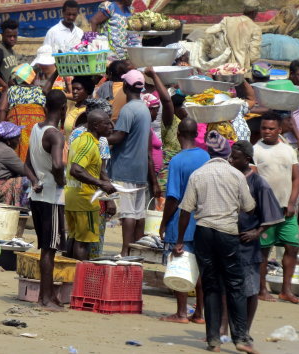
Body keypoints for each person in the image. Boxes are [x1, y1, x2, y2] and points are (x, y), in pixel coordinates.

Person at [176, 131, 257, 354]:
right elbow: (249, 207)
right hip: (227, 233)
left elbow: (186, 210)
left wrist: (180, 240)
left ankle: (214, 341)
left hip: (204, 233)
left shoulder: (198, 174)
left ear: (209, 152)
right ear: (228, 154)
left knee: (211, 285)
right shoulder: (237, 175)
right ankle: (240, 337)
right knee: (235, 285)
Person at [225, 140, 284, 338]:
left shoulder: (258, 183)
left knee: (250, 291)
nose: (231, 159)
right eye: (230, 156)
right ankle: (222, 329)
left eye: (235, 157)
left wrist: (257, 232)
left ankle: (245, 331)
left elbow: (273, 214)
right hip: (227, 241)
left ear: (247, 160)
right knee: (226, 290)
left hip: (248, 246)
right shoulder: (228, 176)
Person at [158, 117, 208, 324]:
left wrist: (163, 222)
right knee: (200, 269)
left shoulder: (177, 161)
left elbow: (172, 198)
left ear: (178, 135)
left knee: (180, 264)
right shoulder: (205, 156)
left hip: (182, 221)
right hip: (203, 220)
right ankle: (199, 313)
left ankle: (180, 313)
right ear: (196, 134)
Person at [108, 69, 158, 256]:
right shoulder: (144, 108)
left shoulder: (128, 110)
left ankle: (125, 251)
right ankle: (135, 251)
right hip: (140, 168)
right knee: (138, 214)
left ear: (127, 87)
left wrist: (103, 138)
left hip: (125, 167)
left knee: (128, 213)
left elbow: (120, 136)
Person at [254, 112, 299, 304]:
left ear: (279, 130)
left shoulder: (288, 150)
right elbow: (254, 181)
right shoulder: (256, 150)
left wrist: (291, 202)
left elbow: (296, 177)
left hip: (287, 210)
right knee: (264, 251)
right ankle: (261, 289)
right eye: (264, 128)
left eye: (271, 129)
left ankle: (286, 290)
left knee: (292, 247)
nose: (267, 132)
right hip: (266, 211)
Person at [25, 90, 67, 311]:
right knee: (49, 249)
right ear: (63, 109)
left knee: (46, 247)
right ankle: (45, 297)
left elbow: (26, 164)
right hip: (51, 196)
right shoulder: (55, 135)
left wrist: (34, 180)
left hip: (37, 193)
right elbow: (58, 165)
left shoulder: (35, 129)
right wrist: (62, 181)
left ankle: (48, 293)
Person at [65, 110, 116, 261]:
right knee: (83, 242)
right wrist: (100, 183)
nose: (111, 126)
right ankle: (78, 278)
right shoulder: (88, 144)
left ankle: (70, 277)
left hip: (73, 197)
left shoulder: (80, 140)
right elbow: (76, 169)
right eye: (106, 123)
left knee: (73, 238)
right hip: (84, 199)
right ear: (95, 125)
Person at [0, 63, 56, 161]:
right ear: (31, 78)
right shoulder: (39, 91)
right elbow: (46, 110)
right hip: (37, 132)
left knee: (17, 159)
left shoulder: (11, 90)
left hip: (17, 133)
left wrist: (0, 131)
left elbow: (2, 109)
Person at [0, 122, 38, 207]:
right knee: (29, 180)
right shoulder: (5, 151)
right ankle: (23, 212)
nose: (19, 141)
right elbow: (25, 171)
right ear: (8, 141)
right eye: (17, 138)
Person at [206, 0, 262, 78]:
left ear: (244, 10)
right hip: (240, 71)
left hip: (222, 67)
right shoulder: (255, 28)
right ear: (255, 12)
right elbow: (253, 56)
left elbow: (209, 32)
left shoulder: (227, 21)